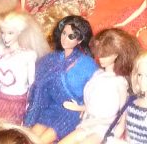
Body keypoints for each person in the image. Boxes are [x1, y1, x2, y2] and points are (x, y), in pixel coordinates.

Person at [24, 15, 98, 143]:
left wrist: (85, 107)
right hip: (51, 109)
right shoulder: (50, 59)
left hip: (72, 112)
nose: (65, 38)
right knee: (29, 137)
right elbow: (40, 88)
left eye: (71, 36)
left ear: (80, 40)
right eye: (64, 33)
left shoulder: (87, 64)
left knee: (41, 140)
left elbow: (96, 92)